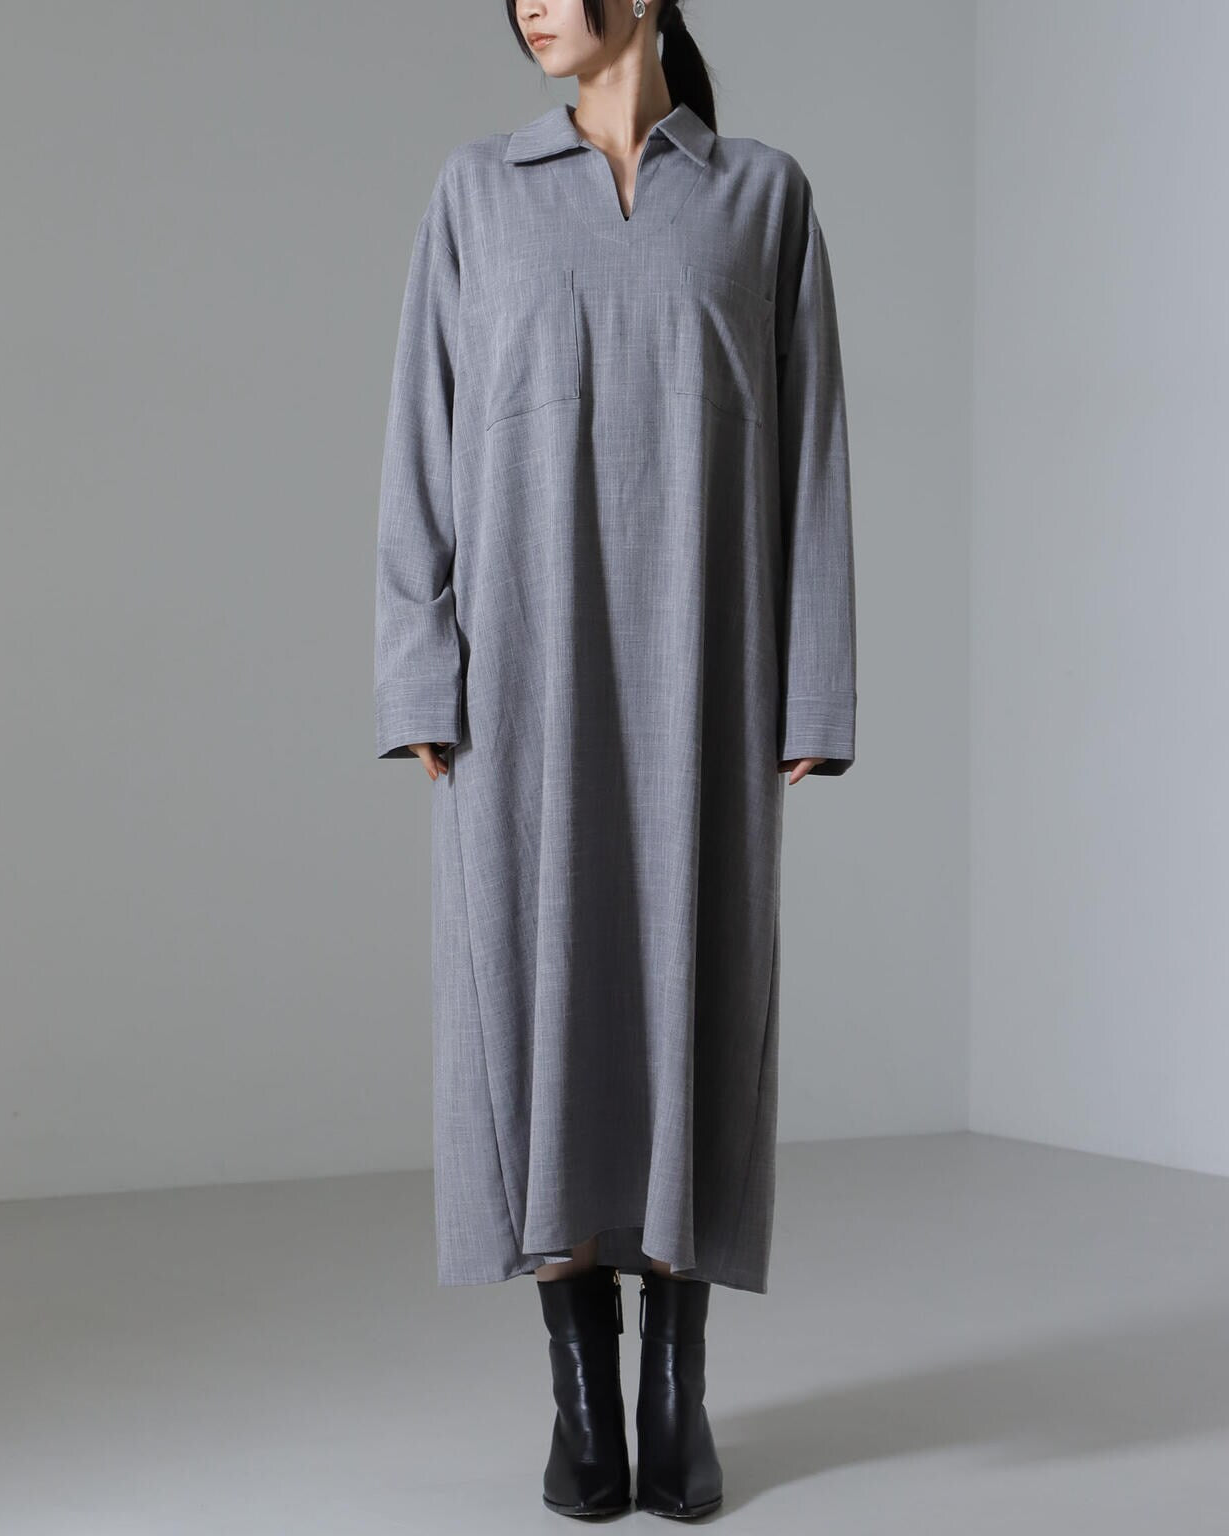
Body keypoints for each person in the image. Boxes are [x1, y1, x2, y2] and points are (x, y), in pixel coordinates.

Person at [373, 0, 856, 1518]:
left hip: (707, 671)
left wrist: (813, 691)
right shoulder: (476, 192)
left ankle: (676, 1392)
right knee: (537, 1010)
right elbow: (420, 442)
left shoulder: (762, 198)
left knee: (696, 1001)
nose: (528, 4)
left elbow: (814, 456)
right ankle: (584, 1401)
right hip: (520, 682)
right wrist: (420, 670)